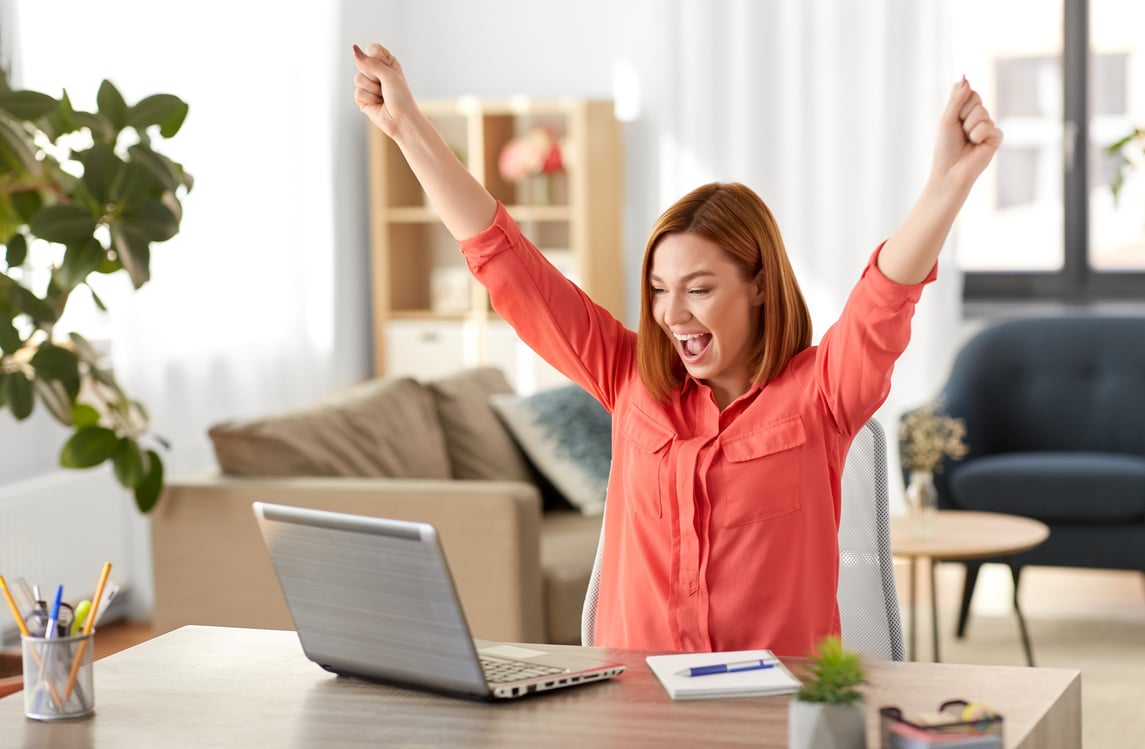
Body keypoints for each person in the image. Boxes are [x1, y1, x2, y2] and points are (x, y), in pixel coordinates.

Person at [353, 42, 1002, 657]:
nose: (671, 313)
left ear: (756, 286)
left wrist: (948, 181)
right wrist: (406, 125)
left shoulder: (821, 395)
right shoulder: (628, 376)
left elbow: (883, 296)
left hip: (767, 712)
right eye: (660, 290)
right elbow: (505, 263)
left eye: (698, 289)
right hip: (632, 709)